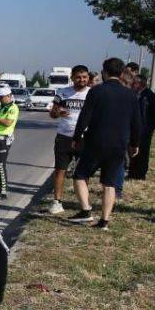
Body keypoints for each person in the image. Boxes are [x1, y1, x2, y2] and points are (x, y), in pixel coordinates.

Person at [68, 58, 143, 231]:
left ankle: (86, 211)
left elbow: (84, 117)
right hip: (118, 145)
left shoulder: (96, 91)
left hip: (95, 142)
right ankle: (104, 221)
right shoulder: (131, 95)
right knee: (109, 184)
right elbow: (136, 122)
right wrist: (135, 143)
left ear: (104, 72)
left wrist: (77, 137)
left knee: (80, 175)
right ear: (122, 72)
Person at [47, 65, 91, 214]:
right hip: (64, 136)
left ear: (88, 78)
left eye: (84, 77)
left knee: (84, 172)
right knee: (60, 169)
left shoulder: (92, 94)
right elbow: (52, 114)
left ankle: (83, 202)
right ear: (72, 78)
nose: (82, 80)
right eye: (78, 77)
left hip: (84, 137)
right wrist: (57, 112)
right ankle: (57, 202)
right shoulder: (63, 92)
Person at [0, 86, 20, 201]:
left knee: (1, 166)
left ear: (9, 96)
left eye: (2, 97)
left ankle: (3, 192)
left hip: (3, 139)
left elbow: (8, 122)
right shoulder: (1, 107)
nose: (0, 99)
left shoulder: (13, 108)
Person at [128, 72, 155, 180]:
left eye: (134, 83)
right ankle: (132, 172)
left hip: (145, 130)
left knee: (143, 152)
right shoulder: (136, 95)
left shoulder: (148, 96)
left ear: (140, 84)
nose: (131, 85)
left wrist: (148, 128)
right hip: (136, 128)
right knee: (133, 150)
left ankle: (140, 174)